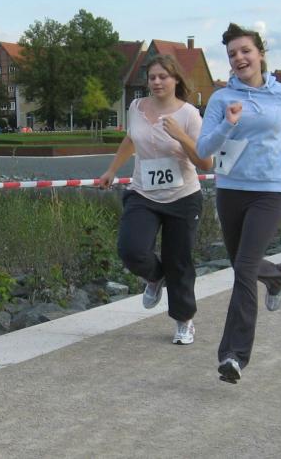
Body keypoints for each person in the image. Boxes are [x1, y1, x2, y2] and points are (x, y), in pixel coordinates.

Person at [196, 22, 281, 384]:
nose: (239, 58)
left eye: (245, 51)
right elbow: (203, 148)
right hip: (230, 189)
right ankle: (276, 275)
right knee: (242, 264)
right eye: (232, 54)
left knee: (243, 268)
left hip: (269, 190)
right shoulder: (221, 99)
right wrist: (228, 124)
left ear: (260, 53)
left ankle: (233, 355)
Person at [98, 55, 213, 345]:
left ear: (176, 79)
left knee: (179, 261)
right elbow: (131, 139)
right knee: (131, 249)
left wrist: (181, 136)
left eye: (163, 76)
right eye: (152, 77)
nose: (157, 82)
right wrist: (112, 169)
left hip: (182, 197)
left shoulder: (189, 115)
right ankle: (155, 276)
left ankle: (184, 321)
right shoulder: (136, 107)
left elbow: (206, 162)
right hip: (143, 192)